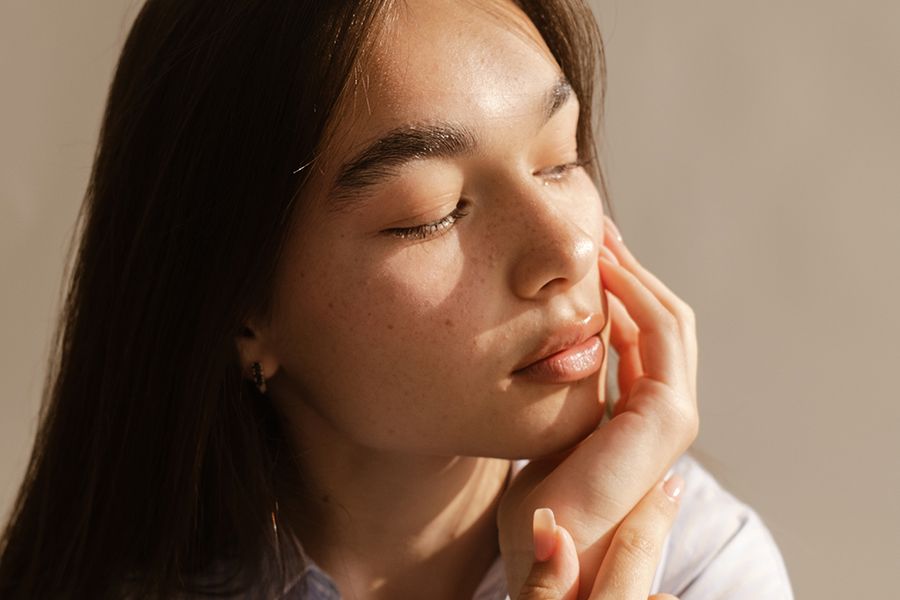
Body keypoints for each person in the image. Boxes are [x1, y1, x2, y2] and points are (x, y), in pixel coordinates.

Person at [0, 1, 793, 598]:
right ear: (242, 306)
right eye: (433, 212)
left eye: (560, 159)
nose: (570, 248)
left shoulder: (694, 567)